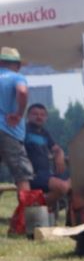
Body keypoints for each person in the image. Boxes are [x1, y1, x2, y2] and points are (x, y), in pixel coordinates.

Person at [0, 46, 33, 191]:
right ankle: (27, 212)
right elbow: (22, 91)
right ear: (17, 65)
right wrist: (19, 113)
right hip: (9, 130)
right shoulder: (17, 77)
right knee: (21, 174)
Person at [23, 103, 69, 206]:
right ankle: (38, 205)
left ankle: (43, 204)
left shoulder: (45, 133)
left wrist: (60, 154)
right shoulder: (23, 131)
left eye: (42, 115)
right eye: (35, 114)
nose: (39, 117)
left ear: (46, 117)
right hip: (31, 175)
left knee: (76, 182)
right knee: (63, 187)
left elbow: (56, 148)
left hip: (46, 174)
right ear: (28, 116)